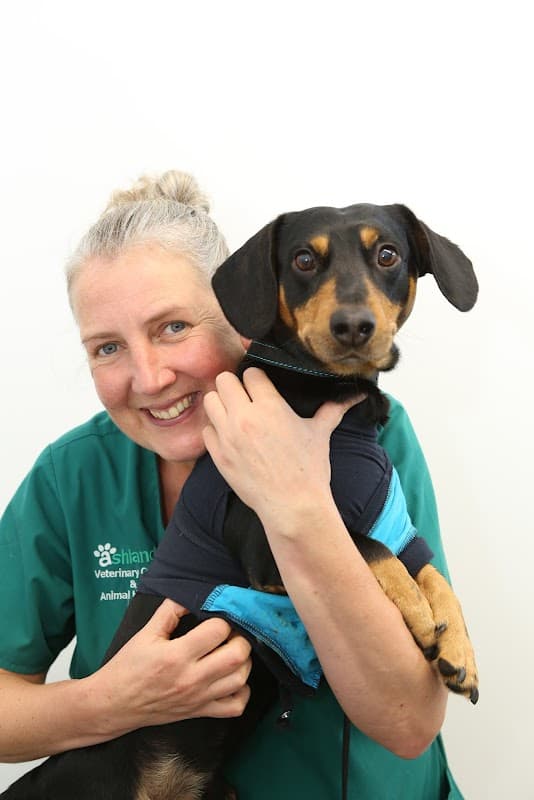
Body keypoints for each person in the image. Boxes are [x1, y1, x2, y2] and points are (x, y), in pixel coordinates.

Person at [0, 170, 463, 798]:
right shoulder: (75, 475)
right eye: (107, 348)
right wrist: (110, 702)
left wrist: (299, 509)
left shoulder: (370, 438)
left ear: (247, 311)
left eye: (173, 327)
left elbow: (410, 723)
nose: (151, 376)